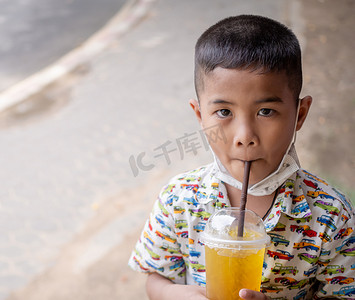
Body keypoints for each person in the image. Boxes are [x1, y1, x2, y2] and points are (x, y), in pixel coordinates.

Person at [128, 15, 354, 299]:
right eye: (224, 112)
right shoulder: (177, 199)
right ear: (200, 115)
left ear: (300, 114)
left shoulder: (332, 215)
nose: (244, 135)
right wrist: (175, 295)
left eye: (266, 111)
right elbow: (157, 279)